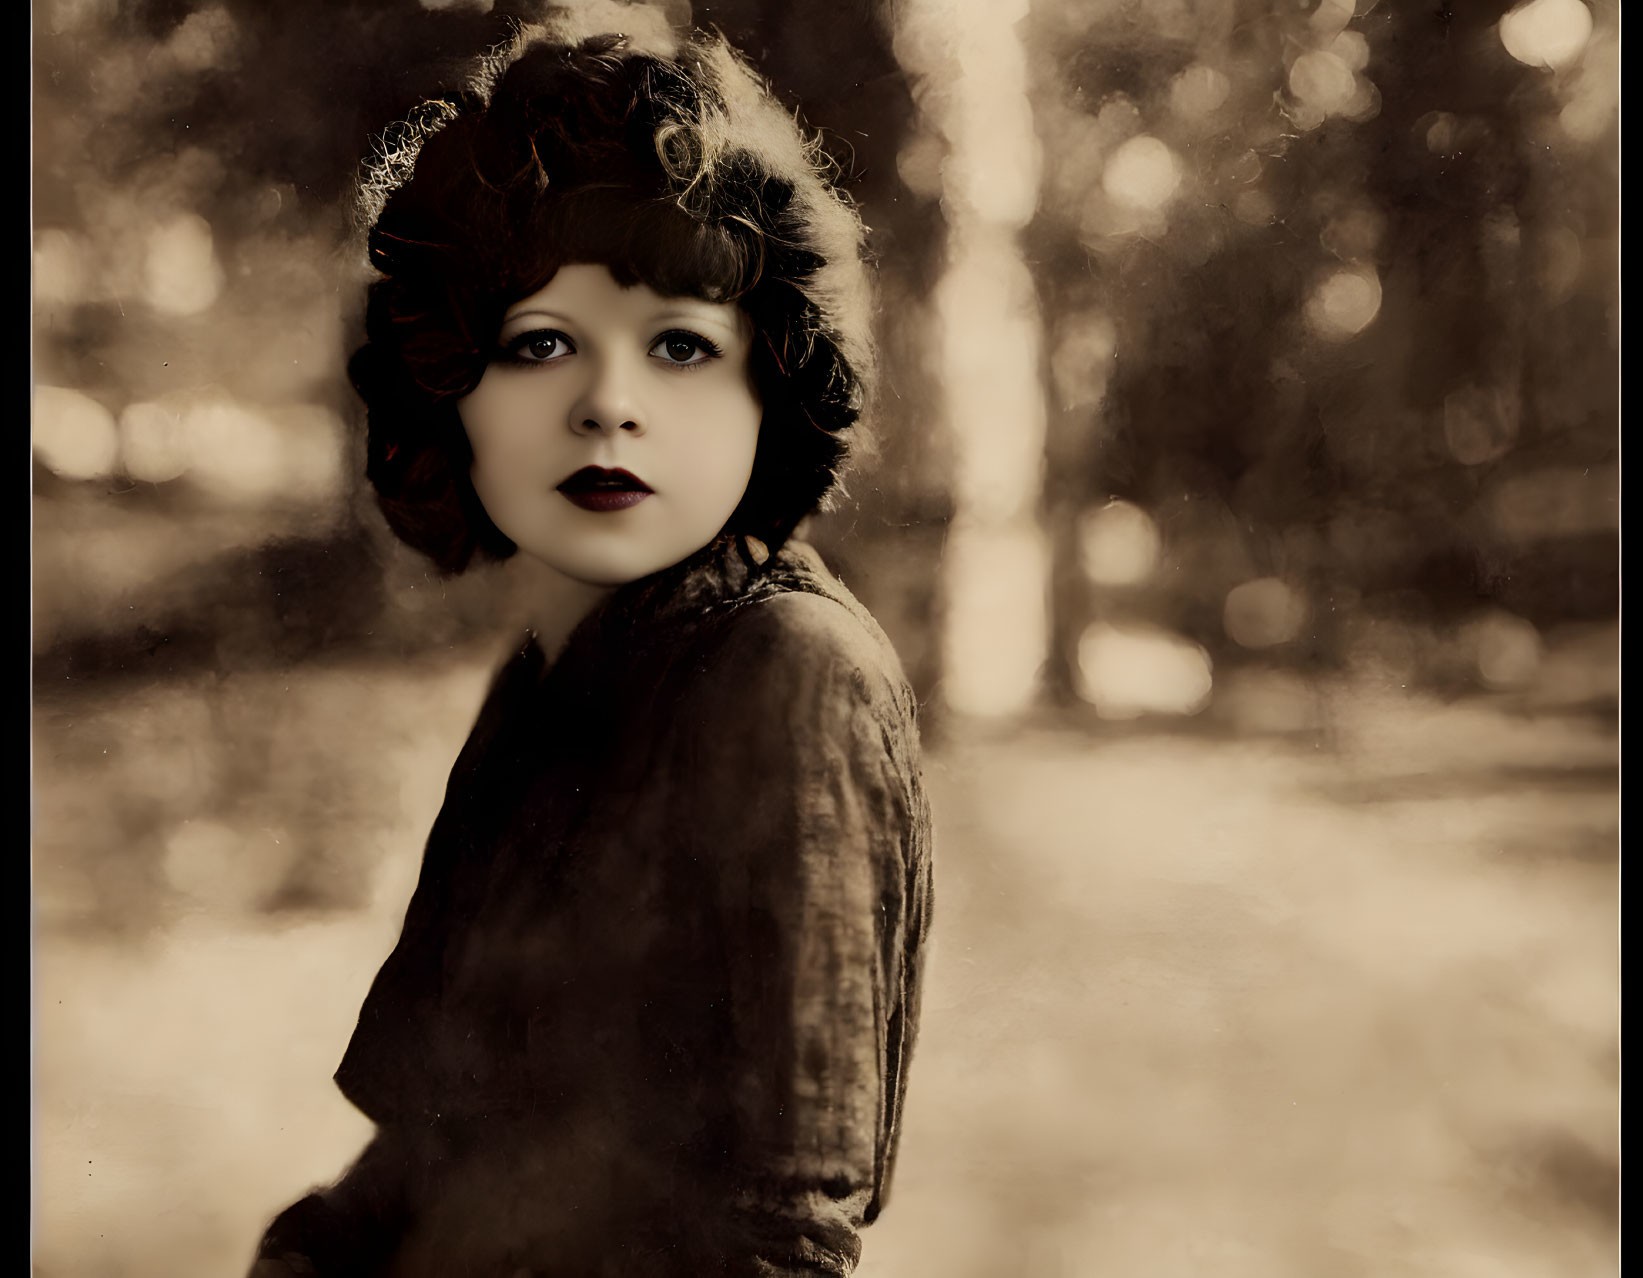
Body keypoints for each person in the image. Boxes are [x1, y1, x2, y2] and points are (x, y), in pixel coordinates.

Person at [249, 17, 932, 1278]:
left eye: (680, 345)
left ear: (764, 388)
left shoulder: (789, 675)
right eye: (540, 343)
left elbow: (783, 1244)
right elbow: (447, 1136)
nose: (607, 402)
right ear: (448, 387)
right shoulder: (543, 678)